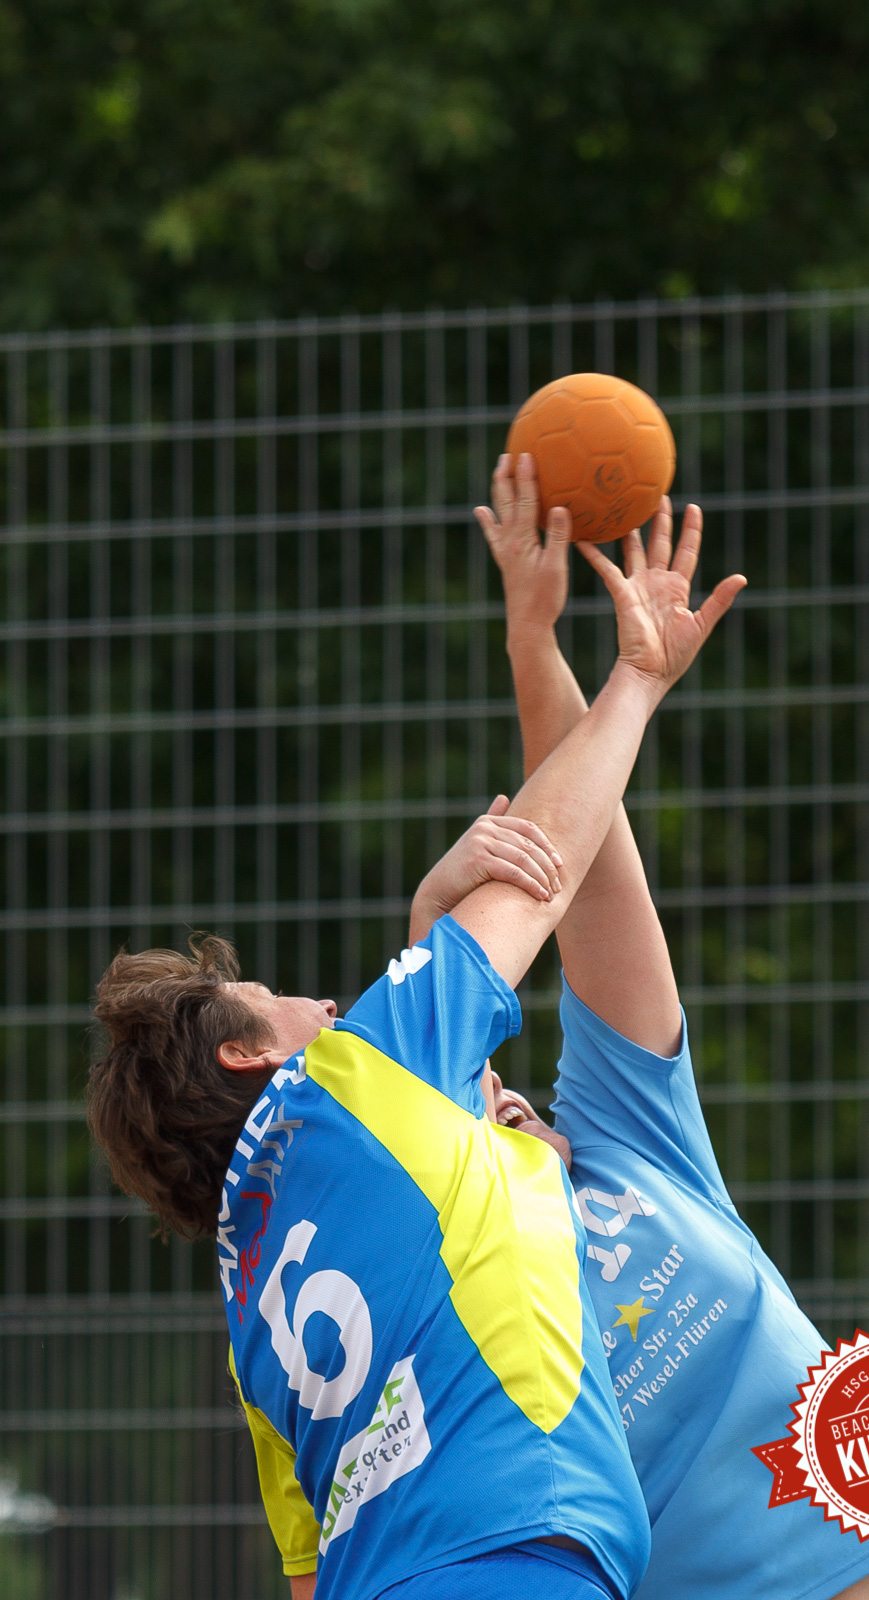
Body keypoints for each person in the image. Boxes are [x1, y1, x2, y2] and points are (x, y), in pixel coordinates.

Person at [87, 488, 746, 1600]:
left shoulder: (251, 1297)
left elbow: (308, 1575)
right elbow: (539, 876)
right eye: (281, 996)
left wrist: (429, 904)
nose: (322, 1006)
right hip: (514, 1564)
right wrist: (634, 678)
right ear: (251, 1060)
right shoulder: (347, 1082)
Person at [462, 454, 869, 1600]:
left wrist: (536, 648)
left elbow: (588, 874)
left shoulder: (626, 1145)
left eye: (495, 1075)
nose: (500, 1088)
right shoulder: (455, 1288)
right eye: (464, 1093)